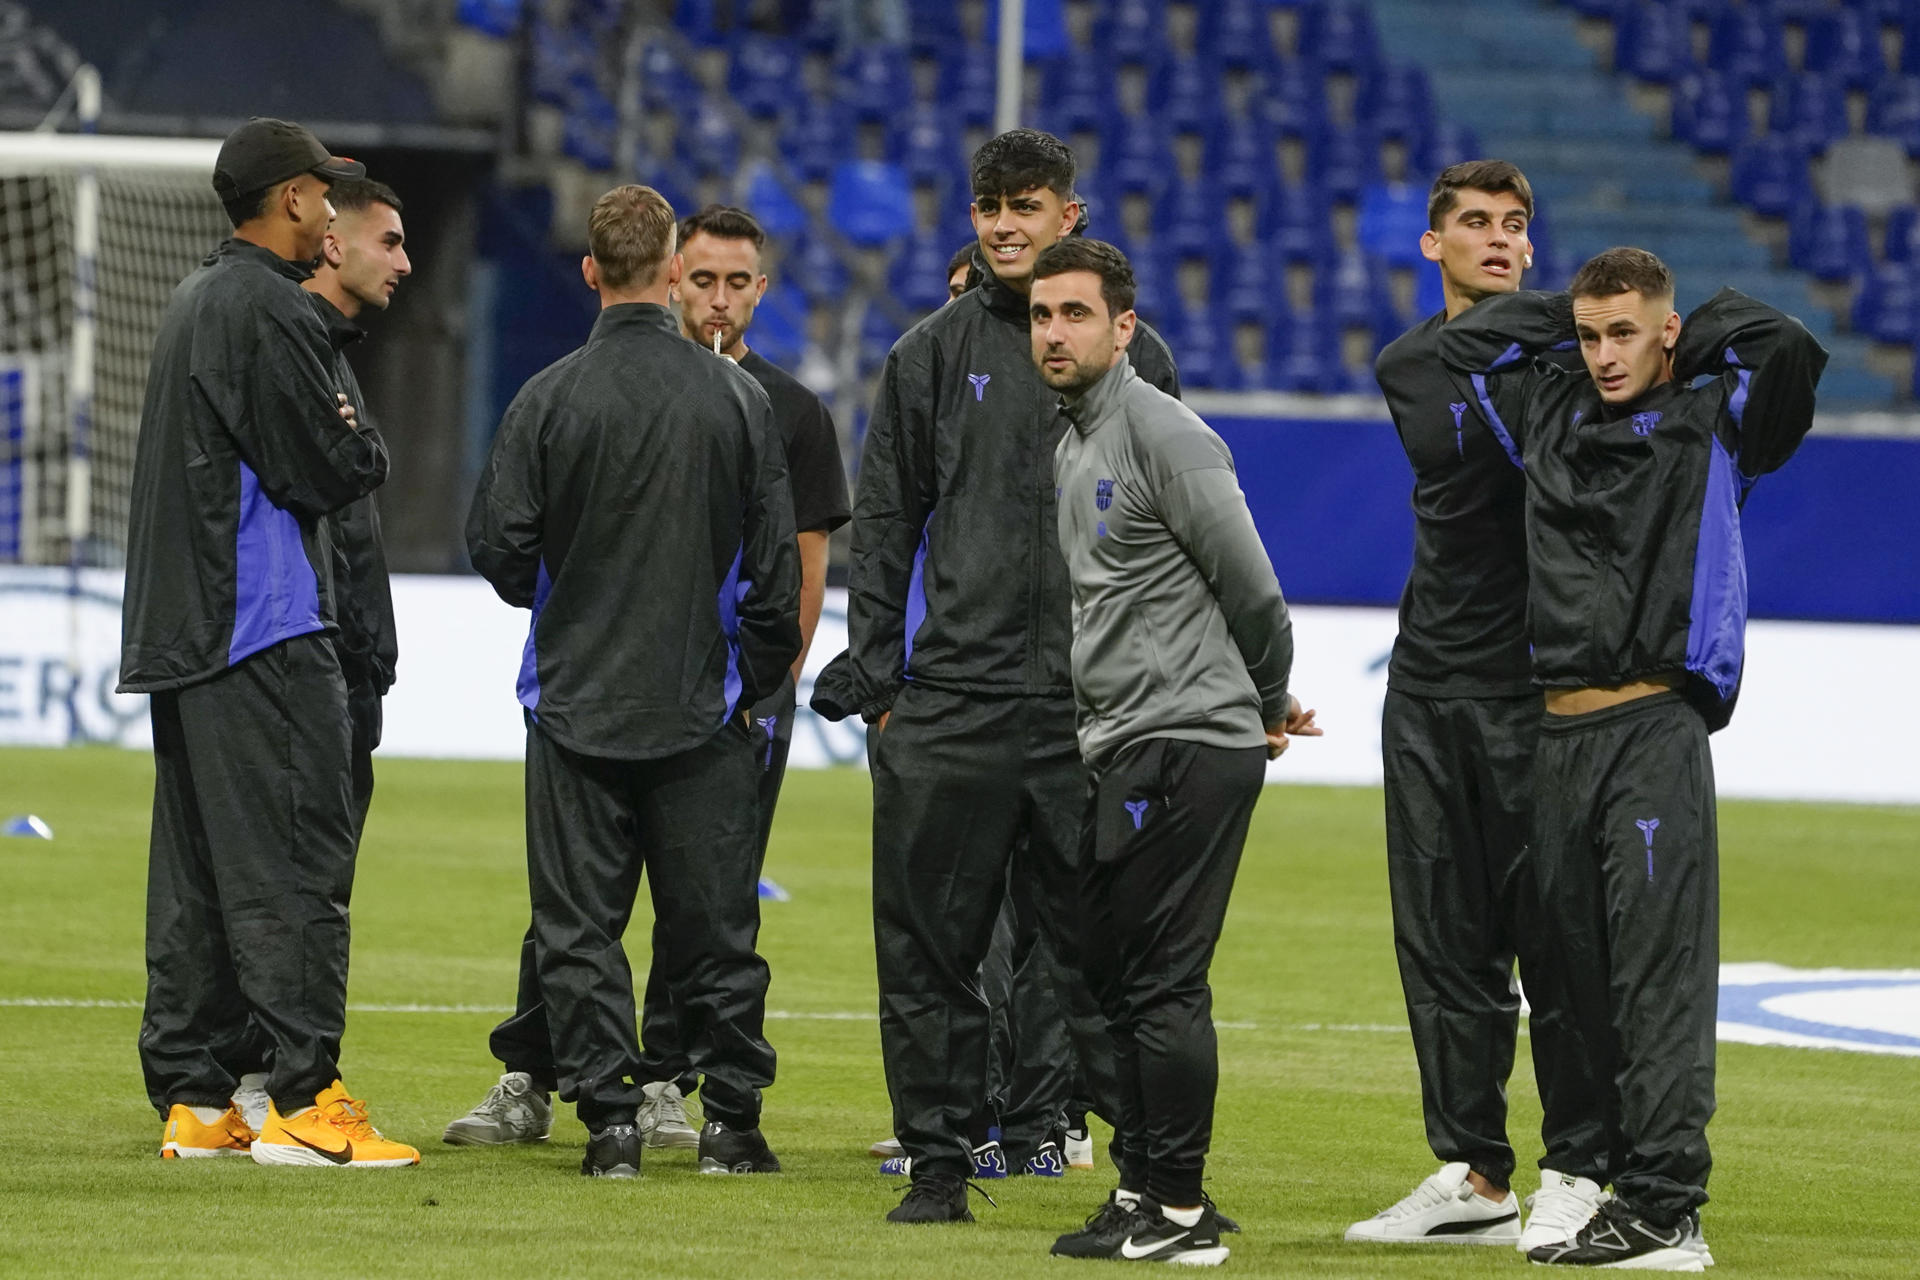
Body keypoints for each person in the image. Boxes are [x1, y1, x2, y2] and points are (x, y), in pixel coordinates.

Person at [1439, 249, 1826, 1269]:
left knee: (1656, 975)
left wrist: (1682, 338)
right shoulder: (1552, 415)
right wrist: (1571, 326)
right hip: (1554, 733)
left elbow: (1786, 343)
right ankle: (1592, 1179)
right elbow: (1463, 343)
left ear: (1667, 332)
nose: (1604, 355)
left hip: (1652, 729)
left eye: (1625, 334)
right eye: (1589, 335)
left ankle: (1667, 1205)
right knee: (1567, 977)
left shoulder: (1719, 425)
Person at [848, 127, 1181, 1224]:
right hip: (956, 701)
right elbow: (886, 522)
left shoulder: (1139, 361)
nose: (1003, 224)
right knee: (931, 951)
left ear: (1067, 218)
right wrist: (882, 678)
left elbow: (1182, 530)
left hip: (1091, 707)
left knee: (1111, 956)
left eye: (1025, 205)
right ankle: (940, 1165)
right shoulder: (928, 356)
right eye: (989, 205)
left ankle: (1147, 1179)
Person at [465, 184, 801, 1179]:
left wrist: (572, 602)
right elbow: (778, 576)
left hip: (575, 701)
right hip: (701, 705)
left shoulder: (547, 396)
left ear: (588, 272)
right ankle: (733, 1121)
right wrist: (745, 677)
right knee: (715, 928)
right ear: (667, 272)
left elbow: (497, 546)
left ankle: (609, 1121)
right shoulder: (738, 397)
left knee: (578, 927)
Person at [121, 116, 418, 1168]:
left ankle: (199, 1099)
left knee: (198, 878)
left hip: (188, 631)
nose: (334, 209)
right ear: (289, 199)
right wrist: (361, 440)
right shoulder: (267, 306)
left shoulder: (195, 299)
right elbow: (338, 465)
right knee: (296, 867)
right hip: (262, 625)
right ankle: (304, 1098)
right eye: (324, 192)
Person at [1030, 237, 1316, 1265]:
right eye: (1041, 314)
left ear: (1124, 327)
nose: (1054, 331)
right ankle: (1144, 1183)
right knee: (1109, 978)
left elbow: (1255, 591)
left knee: (1158, 979)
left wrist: (1267, 694)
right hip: (1127, 741)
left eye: (1074, 313)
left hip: (1182, 740)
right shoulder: (1072, 443)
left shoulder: (1167, 434)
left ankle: (1181, 1212)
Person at [1344, 160, 1602, 1252]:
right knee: (1443, 940)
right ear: (1431, 245)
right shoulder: (1417, 363)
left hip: (1538, 682)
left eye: (1516, 227)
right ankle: (1475, 1169)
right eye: (1476, 225)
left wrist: (1580, 328)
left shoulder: (1576, 352)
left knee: (1558, 938)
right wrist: (1574, 327)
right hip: (1431, 681)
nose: (1499, 240)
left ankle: (1585, 1168)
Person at [623, 203, 852, 1149]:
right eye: (702, 278)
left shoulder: (793, 412)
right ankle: (545, 1067)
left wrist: (773, 685)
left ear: (762, 289)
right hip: (631, 678)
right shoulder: (634, 388)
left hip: (739, 694)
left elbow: (806, 567)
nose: (718, 300)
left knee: (707, 899)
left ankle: (666, 1078)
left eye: (736, 282)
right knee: (591, 892)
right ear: (673, 279)